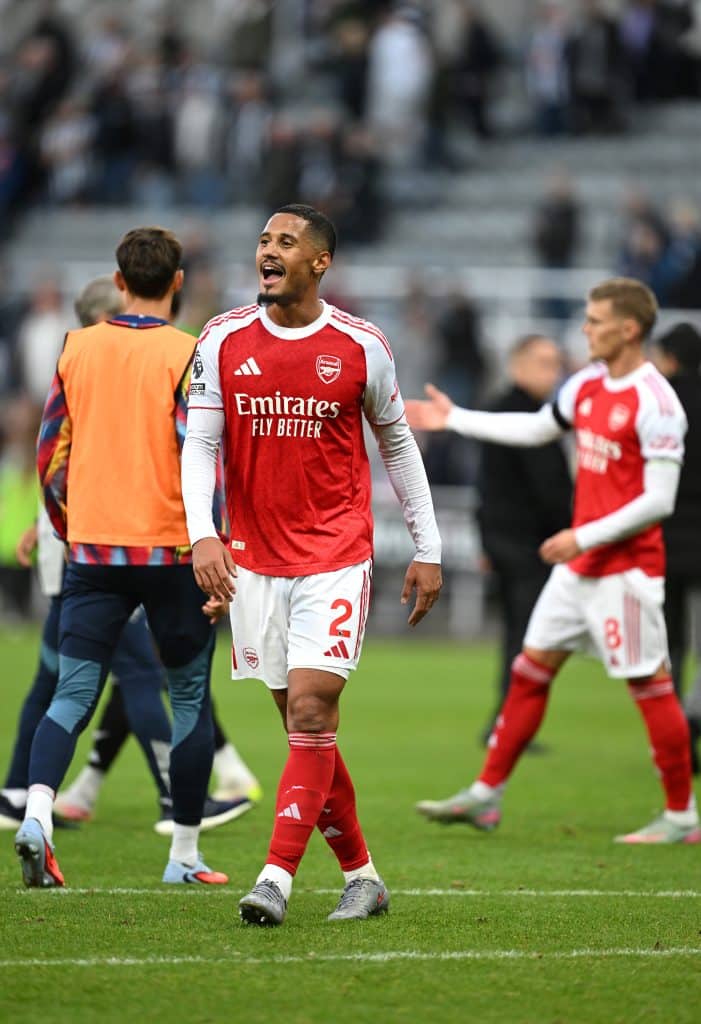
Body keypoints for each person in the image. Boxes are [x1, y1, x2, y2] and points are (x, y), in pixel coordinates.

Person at [181, 203, 443, 924]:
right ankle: (363, 875)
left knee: (309, 708)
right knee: (308, 732)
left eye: (285, 242)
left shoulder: (361, 345)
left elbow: (396, 446)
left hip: (334, 554)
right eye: (264, 240)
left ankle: (275, 877)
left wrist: (427, 548)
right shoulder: (223, 338)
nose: (268, 250)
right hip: (253, 561)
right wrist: (203, 534)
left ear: (318, 262)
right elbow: (200, 445)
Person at [406, 277, 700, 845]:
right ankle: (486, 794)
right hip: (579, 568)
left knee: (651, 685)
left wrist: (583, 536)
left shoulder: (658, 401)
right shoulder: (587, 384)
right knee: (529, 670)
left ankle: (682, 814)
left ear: (629, 328)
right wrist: (457, 419)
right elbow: (539, 427)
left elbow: (660, 500)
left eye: (595, 320)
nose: (584, 329)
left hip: (627, 571)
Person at [1, 276, 257, 835]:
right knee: (151, 677)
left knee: (65, 682)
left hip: (85, 550)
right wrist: (212, 534)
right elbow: (202, 452)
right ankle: (179, 819)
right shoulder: (168, 354)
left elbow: (52, 455)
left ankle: (28, 799)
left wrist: (56, 526)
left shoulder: (78, 357)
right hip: (152, 546)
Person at [475, 335, 572, 742]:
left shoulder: (503, 412)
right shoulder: (527, 417)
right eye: (543, 363)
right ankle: (509, 725)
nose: (553, 373)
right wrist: (574, 530)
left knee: (520, 634)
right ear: (518, 366)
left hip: (506, 542)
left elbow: (485, 487)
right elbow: (549, 489)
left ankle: (506, 722)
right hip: (530, 546)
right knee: (529, 637)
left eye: (555, 364)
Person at [653, 322, 701, 772]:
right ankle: (694, 716)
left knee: (670, 646)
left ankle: (674, 738)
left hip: (666, 541)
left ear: (669, 358)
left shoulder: (661, 403)